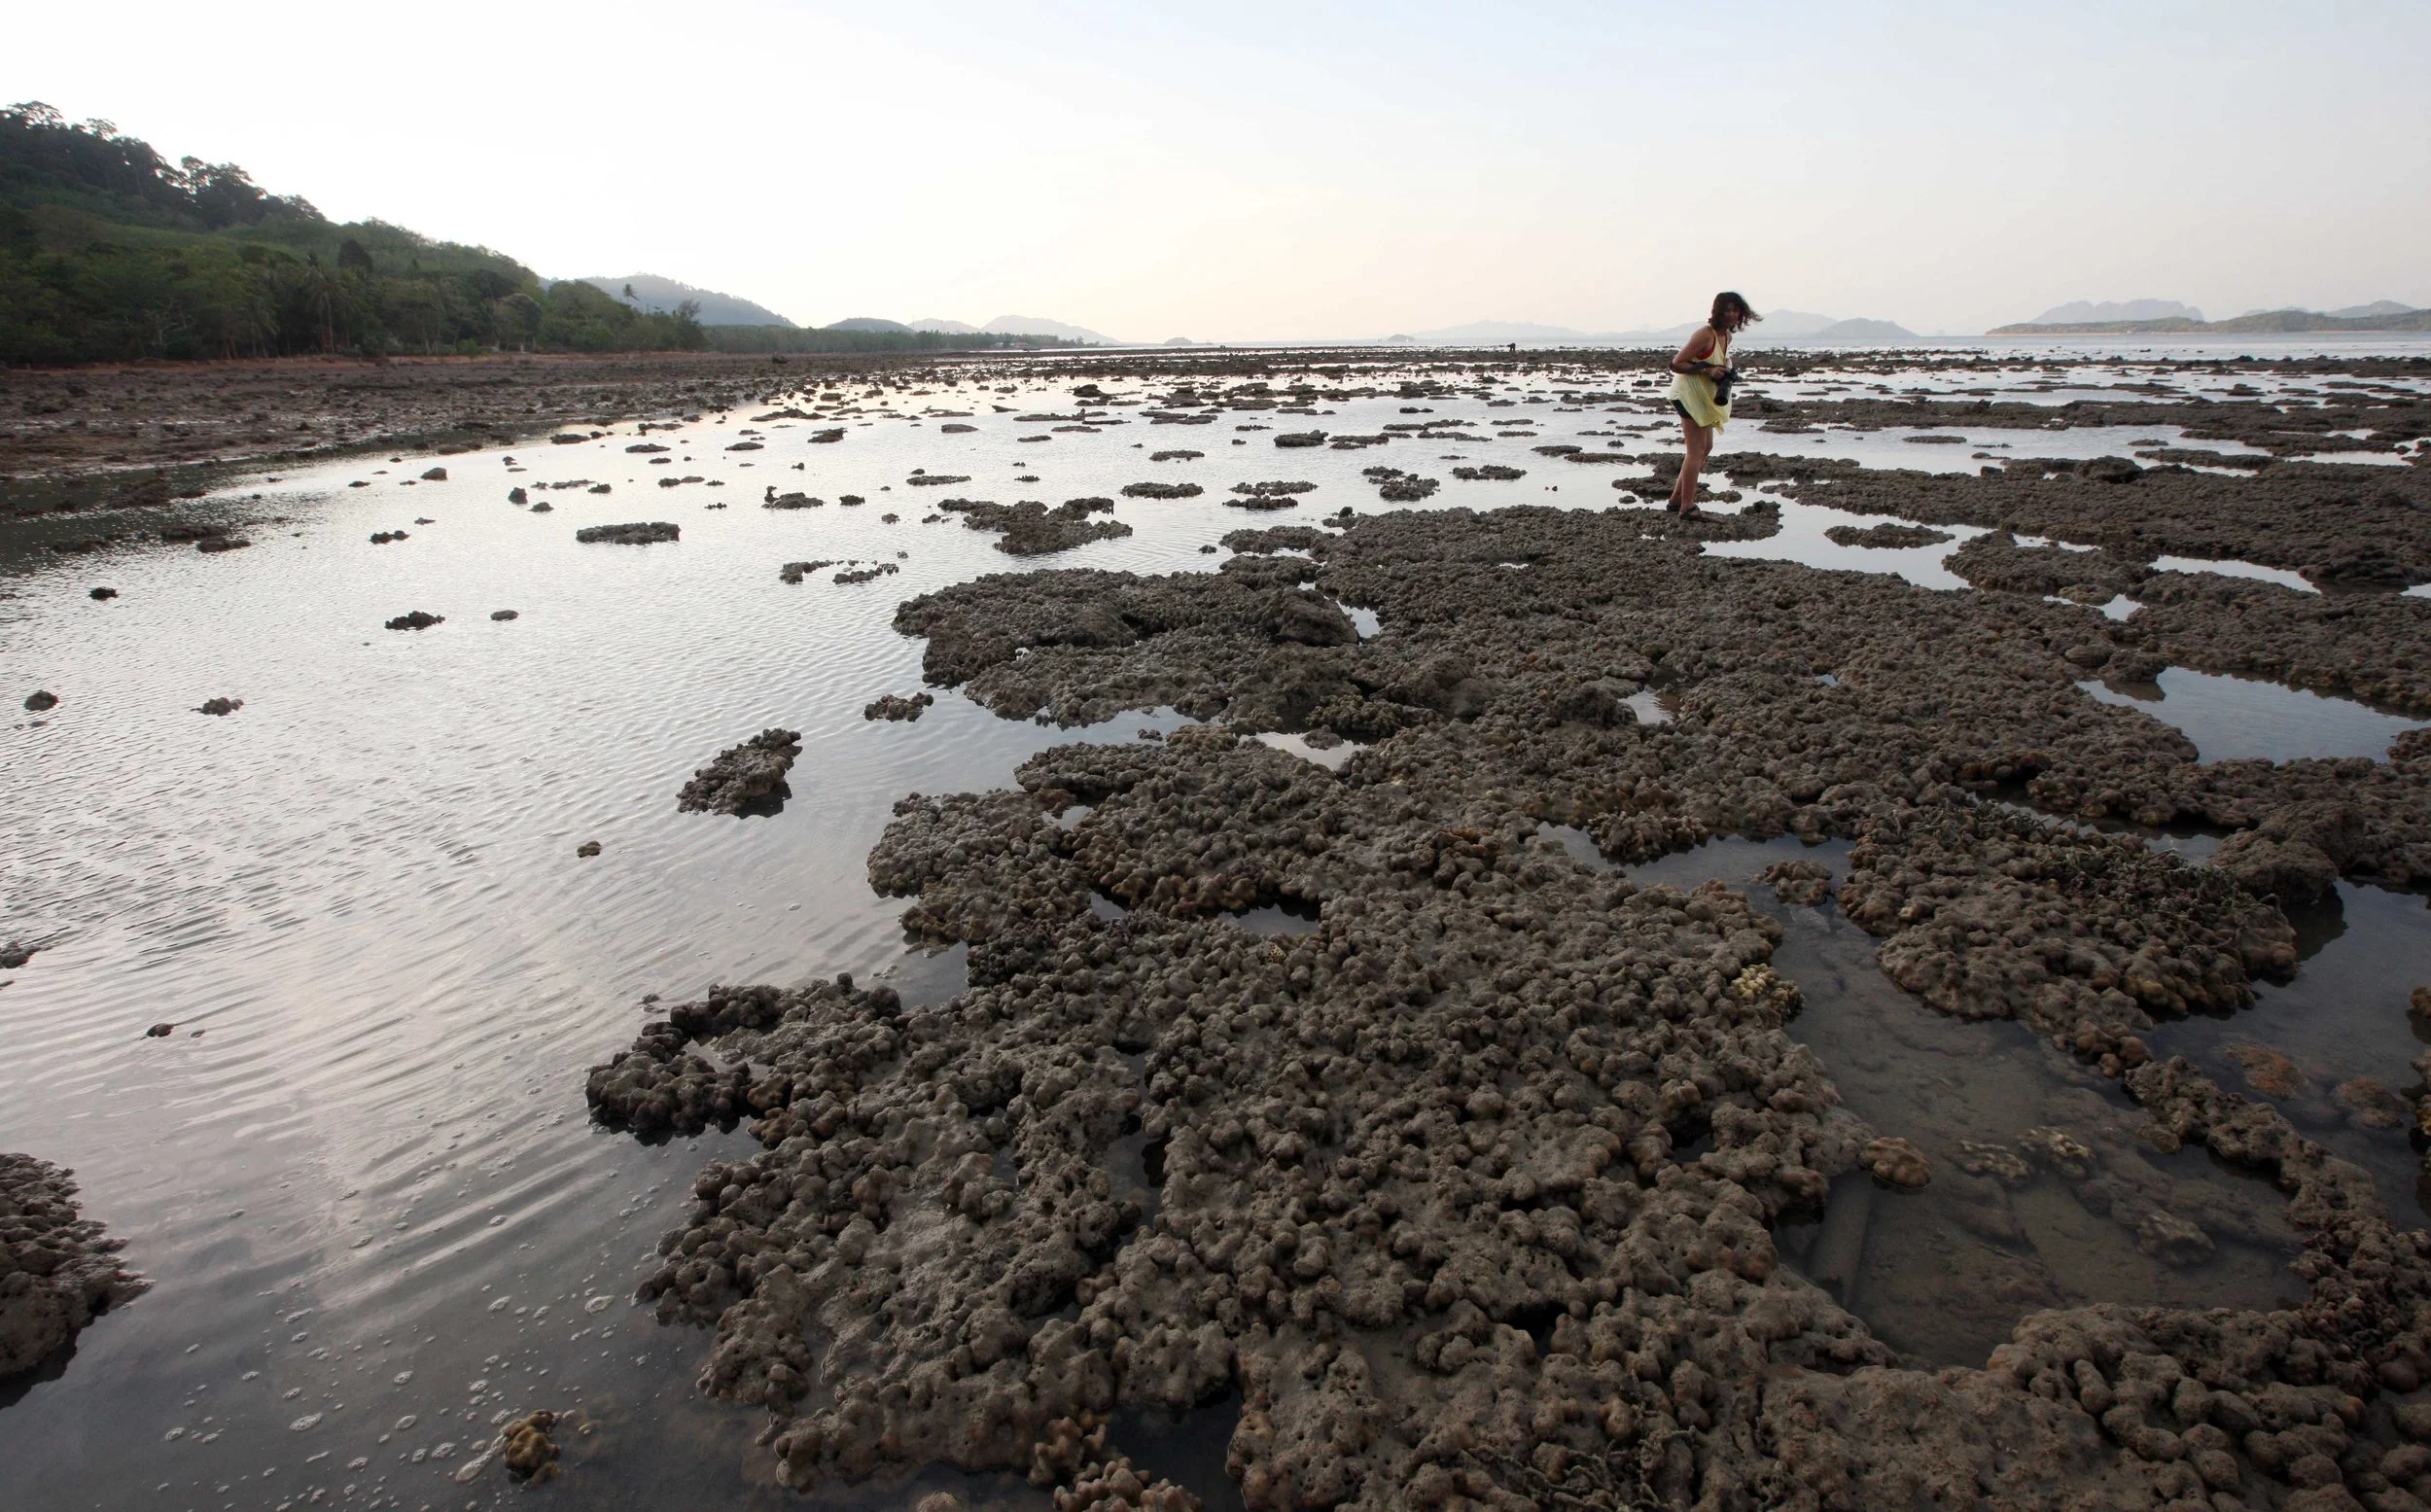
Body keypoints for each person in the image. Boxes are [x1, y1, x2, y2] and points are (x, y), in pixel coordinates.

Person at [1667, 292, 1761, 517]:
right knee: (1695, 451)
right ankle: (1687, 506)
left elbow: (1718, 360)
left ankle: (1676, 499)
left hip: (1704, 398)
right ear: (1716, 311)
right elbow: (1676, 364)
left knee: (1705, 448)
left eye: (1735, 310)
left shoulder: (1727, 337)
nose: (1731, 314)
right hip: (1687, 396)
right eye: (1726, 310)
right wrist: (1707, 369)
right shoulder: (1704, 335)